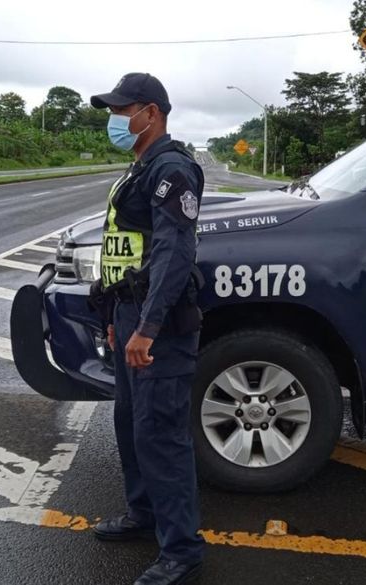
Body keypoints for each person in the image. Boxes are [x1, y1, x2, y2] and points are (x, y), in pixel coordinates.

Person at [89, 72, 205, 585]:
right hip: (128, 314)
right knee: (132, 424)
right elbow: (126, 249)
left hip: (157, 323)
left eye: (123, 110)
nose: (116, 120)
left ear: (150, 112)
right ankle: (144, 515)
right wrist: (116, 320)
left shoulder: (172, 168)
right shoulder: (139, 168)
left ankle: (182, 551)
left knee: (161, 434)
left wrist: (149, 327)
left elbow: (173, 252)